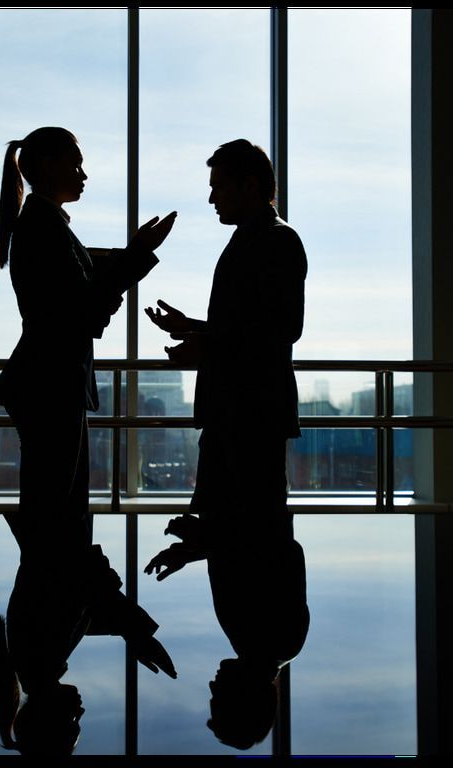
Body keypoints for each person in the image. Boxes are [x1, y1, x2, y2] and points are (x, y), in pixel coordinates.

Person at [0, 127, 177, 752]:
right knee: (56, 509)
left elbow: (84, 294)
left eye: (69, 724)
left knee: (54, 508)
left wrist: (131, 628)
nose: (86, 174)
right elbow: (87, 310)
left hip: (47, 383)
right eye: (77, 162)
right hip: (51, 385)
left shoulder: (44, 227)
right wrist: (139, 254)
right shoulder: (43, 230)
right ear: (45, 166)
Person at [143, 138, 309, 749]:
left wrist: (205, 343)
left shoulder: (272, 242)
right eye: (221, 701)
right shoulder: (261, 639)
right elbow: (263, 329)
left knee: (249, 498)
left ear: (245, 183)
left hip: (248, 413)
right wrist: (196, 332)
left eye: (217, 184)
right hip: (247, 413)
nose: (211, 195)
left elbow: (277, 330)